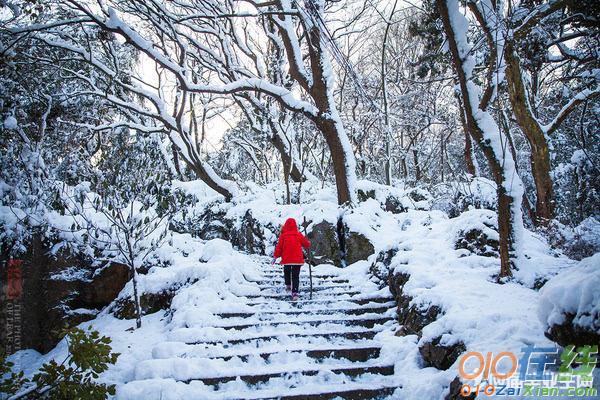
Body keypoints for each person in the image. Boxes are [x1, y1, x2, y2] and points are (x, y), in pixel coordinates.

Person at [273, 218, 311, 301]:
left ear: (286, 225)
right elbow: (306, 244)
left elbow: (279, 248)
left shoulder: (283, 236)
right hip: (297, 260)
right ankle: (295, 293)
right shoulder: (298, 234)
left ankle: (288, 285)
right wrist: (308, 243)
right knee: (295, 276)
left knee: (286, 271)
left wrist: (275, 256)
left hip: (286, 259)